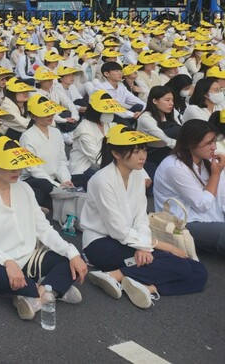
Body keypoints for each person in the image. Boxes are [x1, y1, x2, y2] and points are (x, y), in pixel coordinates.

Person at [81, 125, 207, 309]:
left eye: (144, 149)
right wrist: (159, 245)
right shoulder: (102, 180)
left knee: (199, 271)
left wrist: (144, 246)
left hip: (130, 239)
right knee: (176, 263)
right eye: (135, 151)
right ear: (116, 153)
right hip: (101, 243)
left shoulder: (138, 174)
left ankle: (147, 287)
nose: (143, 156)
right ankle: (114, 275)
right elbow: (117, 229)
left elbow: (141, 216)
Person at [0, 136, 88, 320]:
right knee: (1, 278)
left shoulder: (24, 188)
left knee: (70, 262)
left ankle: (37, 297)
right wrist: (8, 262)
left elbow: (43, 228)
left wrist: (72, 253)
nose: (17, 170)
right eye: (10, 165)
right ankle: (52, 290)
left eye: (19, 164)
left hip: (27, 256)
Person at [154, 119, 225, 256]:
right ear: (191, 143)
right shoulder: (174, 167)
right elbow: (202, 204)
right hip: (183, 223)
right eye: (209, 143)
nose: (214, 147)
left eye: (214, 141)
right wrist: (216, 174)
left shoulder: (207, 161)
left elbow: (221, 195)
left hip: (210, 217)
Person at [69, 90, 126, 187]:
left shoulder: (109, 125)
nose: (110, 113)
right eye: (106, 110)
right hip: (84, 169)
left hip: (107, 165)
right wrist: (119, 170)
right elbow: (96, 159)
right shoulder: (84, 129)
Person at [137, 86, 181, 167]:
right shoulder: (145, 118)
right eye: (167, 100)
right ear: (155, 101)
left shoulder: (171, 113)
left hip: (171, 151)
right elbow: (166, 140)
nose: (171, 103)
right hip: (153, 154)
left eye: (172, 100)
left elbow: (181, 131)